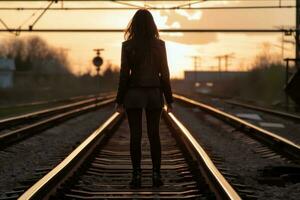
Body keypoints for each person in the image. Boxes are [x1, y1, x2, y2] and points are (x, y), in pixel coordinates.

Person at [115, 9, 173, 189]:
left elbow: (124, 75)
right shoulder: (160, 45)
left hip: (133, 96)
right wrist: (169, 99)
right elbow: (165, 74)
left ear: (134, 25)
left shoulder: (128, 46)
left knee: (136, 136)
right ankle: (156, 175)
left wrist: (119, 100)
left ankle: (137, 176)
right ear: (152, 24)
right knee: (154, 135)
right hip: (154, 95)